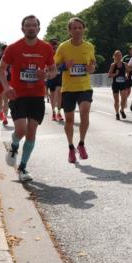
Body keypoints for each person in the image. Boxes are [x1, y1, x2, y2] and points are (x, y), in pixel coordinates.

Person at [0, 15, 57, 182]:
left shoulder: (46, 48)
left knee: (31, 133)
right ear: (22, 29)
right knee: (21, 129)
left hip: (37, 95)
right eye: (28, 25)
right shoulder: (13, 48)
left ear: (39, 28)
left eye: (34, 25)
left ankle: (23, 168)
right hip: (18, 94)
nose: (31, 28)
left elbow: (53, 71)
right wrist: (7, 87)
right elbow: (1, 69)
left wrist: (46, 74)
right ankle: (14, 145)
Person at [55, 17, 96, 164]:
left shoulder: (89, 46)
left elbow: (92, 64)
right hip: (68, 89)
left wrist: (91, 68)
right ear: (69, 31)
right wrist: (64, 66)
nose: (78, 30)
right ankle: (71, 147)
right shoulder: (63, 47)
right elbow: (54, 67)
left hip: (84, 87)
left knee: (85, 113)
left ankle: (82, 144)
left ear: (84, 29)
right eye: (74, 28)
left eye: (80, 27)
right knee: (70, 121)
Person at [46, 39, 65, 123]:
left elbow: (65, 63)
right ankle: (53, 112)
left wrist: (61, 65)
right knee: (52, 95)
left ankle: (59, 112)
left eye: (55, 45)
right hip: (50, 76)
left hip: (59, 75)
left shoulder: (61, 53)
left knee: (59, 92)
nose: (54, 47)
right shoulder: (47, 53)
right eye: (53, 45)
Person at [108, 50, 129, 120]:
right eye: (117, 55)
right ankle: (117, 113)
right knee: (116, 100)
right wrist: (115, 74)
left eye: (120, 55)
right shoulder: (113, 65)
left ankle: (122, 110)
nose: (119, 57)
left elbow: (129, 70)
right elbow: (109, 75)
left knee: (124, 99)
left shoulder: (124, 64)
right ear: (114, 57)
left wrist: (126, 75)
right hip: (116, 84)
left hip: (123, 84)